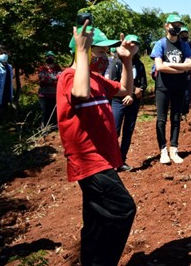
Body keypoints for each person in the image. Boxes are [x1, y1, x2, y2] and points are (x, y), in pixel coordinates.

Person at [58, 23, 138, 265]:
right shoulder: (68, 77)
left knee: (96, 218)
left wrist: (126, 61)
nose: (105, 57)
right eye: (100, 51)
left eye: (106, 52)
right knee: (123, 209)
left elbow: (125, 89)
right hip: (88, 160)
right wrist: (82, 51)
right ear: (85, 50)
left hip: (101, 159)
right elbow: (80, 94)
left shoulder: (97, 80)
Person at [151, 14, 191, 165]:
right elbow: (159, 66)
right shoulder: (160, 44)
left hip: (179, 87)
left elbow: (190, 65)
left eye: (178, 25)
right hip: (163, 87)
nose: (176, 27)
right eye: (173, 24)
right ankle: (163, 150)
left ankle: (174, 149)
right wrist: (181, 69)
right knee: (161, 119)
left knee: (176, 118)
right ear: (166, 25)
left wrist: (170, 66)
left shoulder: (184, 45)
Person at [107, 35, 147, 172]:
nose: (134, 47)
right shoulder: (117, 63)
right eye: (132, 44)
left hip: (133, 103)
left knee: (128, 132)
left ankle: (121, 161)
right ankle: (111, 161)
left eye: (136, 44)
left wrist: (132, 94)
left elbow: (143, 85)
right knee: (115, 131)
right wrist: (129, 92)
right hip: (118, 102)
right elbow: (114, 83)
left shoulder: (140, 65)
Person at [37, 51, 62, 131]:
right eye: (48, 57)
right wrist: (53, 78)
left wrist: (50, 77)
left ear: (54, 58)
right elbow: (43, 79)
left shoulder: (57, 68)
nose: (50, 58)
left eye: (52, 56)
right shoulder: (42, 68)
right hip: (43, 95)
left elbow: (59, 77)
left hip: (54, 94)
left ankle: (54, 129)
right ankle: (44, 129)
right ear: (45, 58)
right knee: (45, 112)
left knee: (54, 112)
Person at [0, 45, 13, 147]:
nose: (4, 55)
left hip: (4, 98)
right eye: (1, 53)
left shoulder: (9, 67)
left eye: (5, 52)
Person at [180, 27, 191, 116]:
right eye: (182, 34)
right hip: (177, 72)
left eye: (186, 33)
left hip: (187, 72)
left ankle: (184, 112)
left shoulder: (190, 44)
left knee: (187, 92)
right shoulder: (176, 43)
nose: (184, 35)